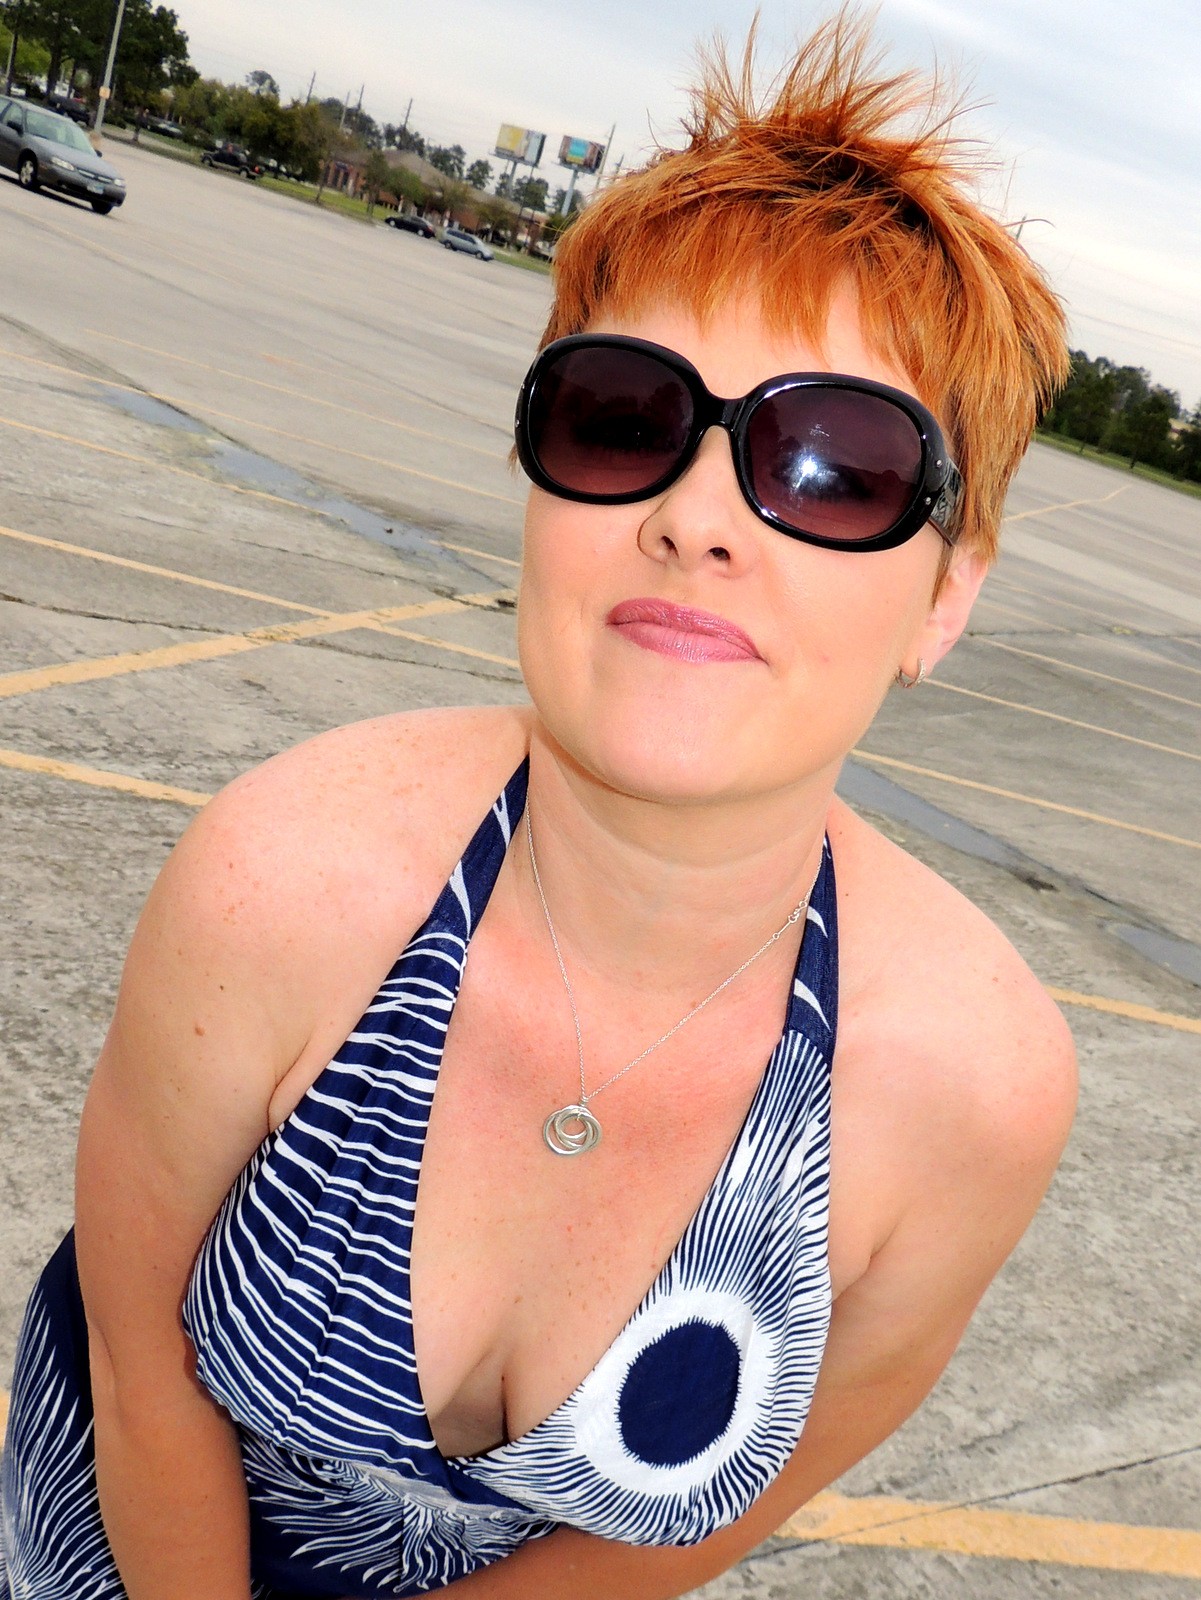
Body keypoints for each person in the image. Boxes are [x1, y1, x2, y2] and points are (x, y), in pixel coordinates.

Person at [0, 14, 1076, 1599]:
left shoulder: (973, 1097)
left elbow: (695, 1529)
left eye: (833, 465)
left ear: (947, 595)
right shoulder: (284, 876)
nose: (696, 518)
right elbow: (139, 1363)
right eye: (624, 419)